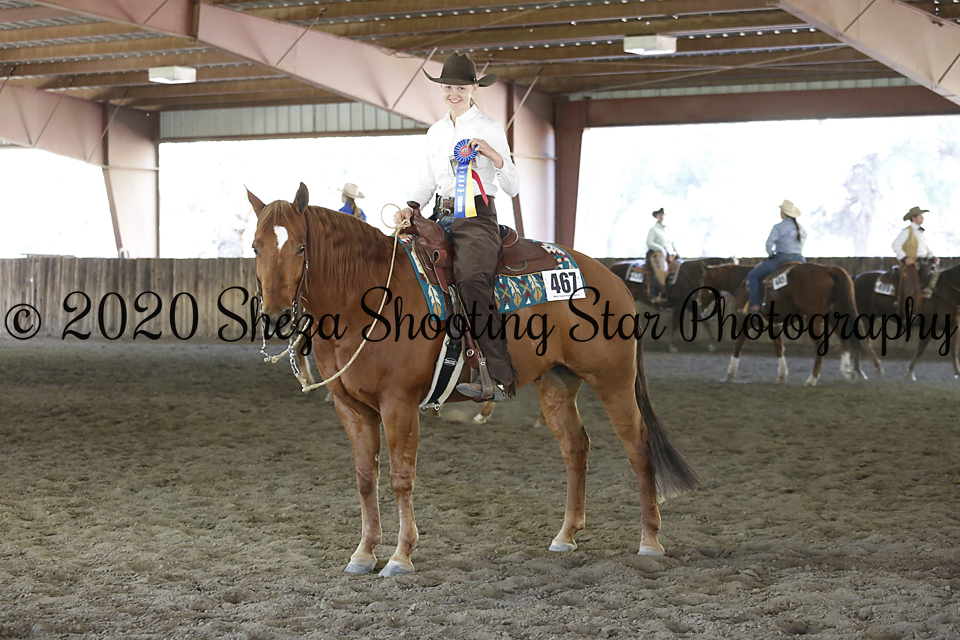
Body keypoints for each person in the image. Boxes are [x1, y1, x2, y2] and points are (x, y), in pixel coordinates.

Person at [394, 52, 520, 402]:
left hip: (477, 218)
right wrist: (411, 207)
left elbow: (513, 185)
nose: (454, 93)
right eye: (448, 87)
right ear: (442, 89)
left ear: (474, 89)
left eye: (461, 88)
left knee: (470, 280)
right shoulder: (435, 132)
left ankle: (497, 376)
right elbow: (426, 182)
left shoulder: (490, 128)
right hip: (439, 215)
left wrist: (494, 156)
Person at [746, 199, 806, 314]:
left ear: (783, 213)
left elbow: (769, 244)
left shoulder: (779, 227)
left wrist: (771, 255)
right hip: (800, 259)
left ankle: (755, 304)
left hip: (782, 258)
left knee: (752, 276)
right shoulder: (801, 228)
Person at [892, 206, 939, 302]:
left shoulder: (920, 232)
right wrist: (904, 258)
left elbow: (925, 248)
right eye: (920, 216)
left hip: (923, 262)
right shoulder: (907, 231)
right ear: (914, 218)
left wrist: (932, 257)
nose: (923, 218)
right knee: (912, 285)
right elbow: (895, 245)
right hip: (913, 264)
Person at [645, 207, 678, 304]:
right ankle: (660, 292)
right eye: (660, 215)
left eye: (663, 215)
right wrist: (661, 249)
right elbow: (650, 242)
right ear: (657, 217)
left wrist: (676, 252)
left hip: (670, 254)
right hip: (658, 253)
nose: (662, 217)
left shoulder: (667, 230)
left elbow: (672, 242)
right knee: (661, 270)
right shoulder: (653, 230)